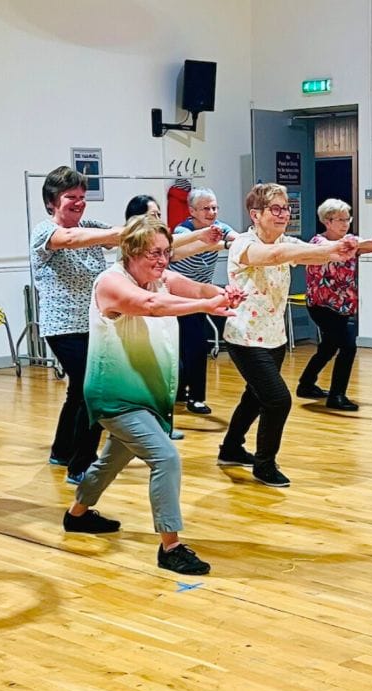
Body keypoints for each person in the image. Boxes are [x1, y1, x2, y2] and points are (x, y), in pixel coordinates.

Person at [63, 214, 245, 574]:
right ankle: (170, 547)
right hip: (114, 396)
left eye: (165, 252)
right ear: (131, 251)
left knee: (112, 460)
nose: (162, 260)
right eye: (153, 253)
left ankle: (77, 515)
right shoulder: (111, 283)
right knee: (166, 458)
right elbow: (151, 305)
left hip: (147, 395)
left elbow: (196, 289)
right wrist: (205, 307)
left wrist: (222, 294)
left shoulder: (161, 278)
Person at [218, 183, 358, 487]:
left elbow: (309, 255)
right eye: (276, 208)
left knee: (255, 397)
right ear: (255, 214)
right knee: (278, 400)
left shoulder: (286, 241)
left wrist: (360, 246)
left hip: (274, 337)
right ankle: (264, 464)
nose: (284, 214)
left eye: (286, 208)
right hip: (245, 337)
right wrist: (328, 249)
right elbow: (276, 255)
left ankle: (230, 449)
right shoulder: (243, 244)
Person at [32, 166, 123, 485]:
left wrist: (203, 239)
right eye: (71, 197)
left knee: (78, 392)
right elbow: (70, 239)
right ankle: (81, 465)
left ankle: (62, 451)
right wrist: (113, 235)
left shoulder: (91, 228)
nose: (79, 203)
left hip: (92, 324)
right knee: (94, 390)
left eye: (82, 197)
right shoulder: (45, 231)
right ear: (52, 201)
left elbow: (122, 236)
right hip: (62, 327)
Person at [122, 193, 222, 439]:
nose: (158, 219)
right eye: (153, 215)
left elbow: (187, 281)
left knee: (167, 364)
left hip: (164, 313)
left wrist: (218, 295)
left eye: (159, 214)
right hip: (136, 321)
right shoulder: (125, 260)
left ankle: (161, 424)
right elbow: (175, 251)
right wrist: (202, 236)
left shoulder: (161, 262)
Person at [296, 198, 372, 410]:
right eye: (340, 219)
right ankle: (337, 396)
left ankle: (305, 384)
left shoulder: (350, 241)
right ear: (327, 221)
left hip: (343, 306)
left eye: (347, 219)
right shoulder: (318, 243)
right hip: (322, 306)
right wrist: (365, 243)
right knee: (348, 347)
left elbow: (362, 246)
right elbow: (340, 248)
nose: (345, 223)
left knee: (328, 347)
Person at [168, 188, 240, 415]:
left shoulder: (220, 227)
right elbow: (189, 249)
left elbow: (237, 239)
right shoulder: (183, 231)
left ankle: (191, 395)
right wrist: (220, 243)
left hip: (200, 296)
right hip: (176, 297)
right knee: (187, 347)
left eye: (215, 207)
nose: (212, 212)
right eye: (206, 208)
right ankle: (187, 395)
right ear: (192, 211)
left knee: (194, 345)